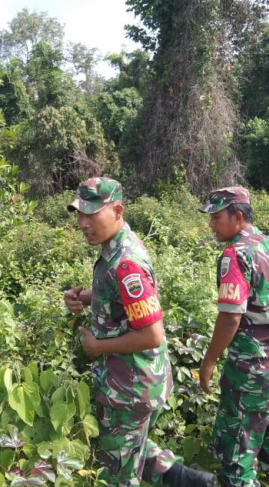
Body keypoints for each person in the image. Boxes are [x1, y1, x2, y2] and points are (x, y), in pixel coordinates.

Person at [63, 177, 217, 487]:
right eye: (80, 214)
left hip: (129, 386)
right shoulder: (117, 248)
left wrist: (97, 347)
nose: (83, 222)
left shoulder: (126, 262)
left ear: (117, 211)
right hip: (137, 380)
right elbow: (125, 299)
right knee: (130, 448)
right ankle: (191, 481)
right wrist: (85, 297)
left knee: (117, 469)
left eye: (92, 214)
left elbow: (152, 334)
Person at [197, 186, 269, 487]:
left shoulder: (236, 254)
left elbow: (231, 317)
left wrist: (209, 361)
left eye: (216, 217)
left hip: (252, 371)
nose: (212, 224)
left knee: (238, 453)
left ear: (238, 217)